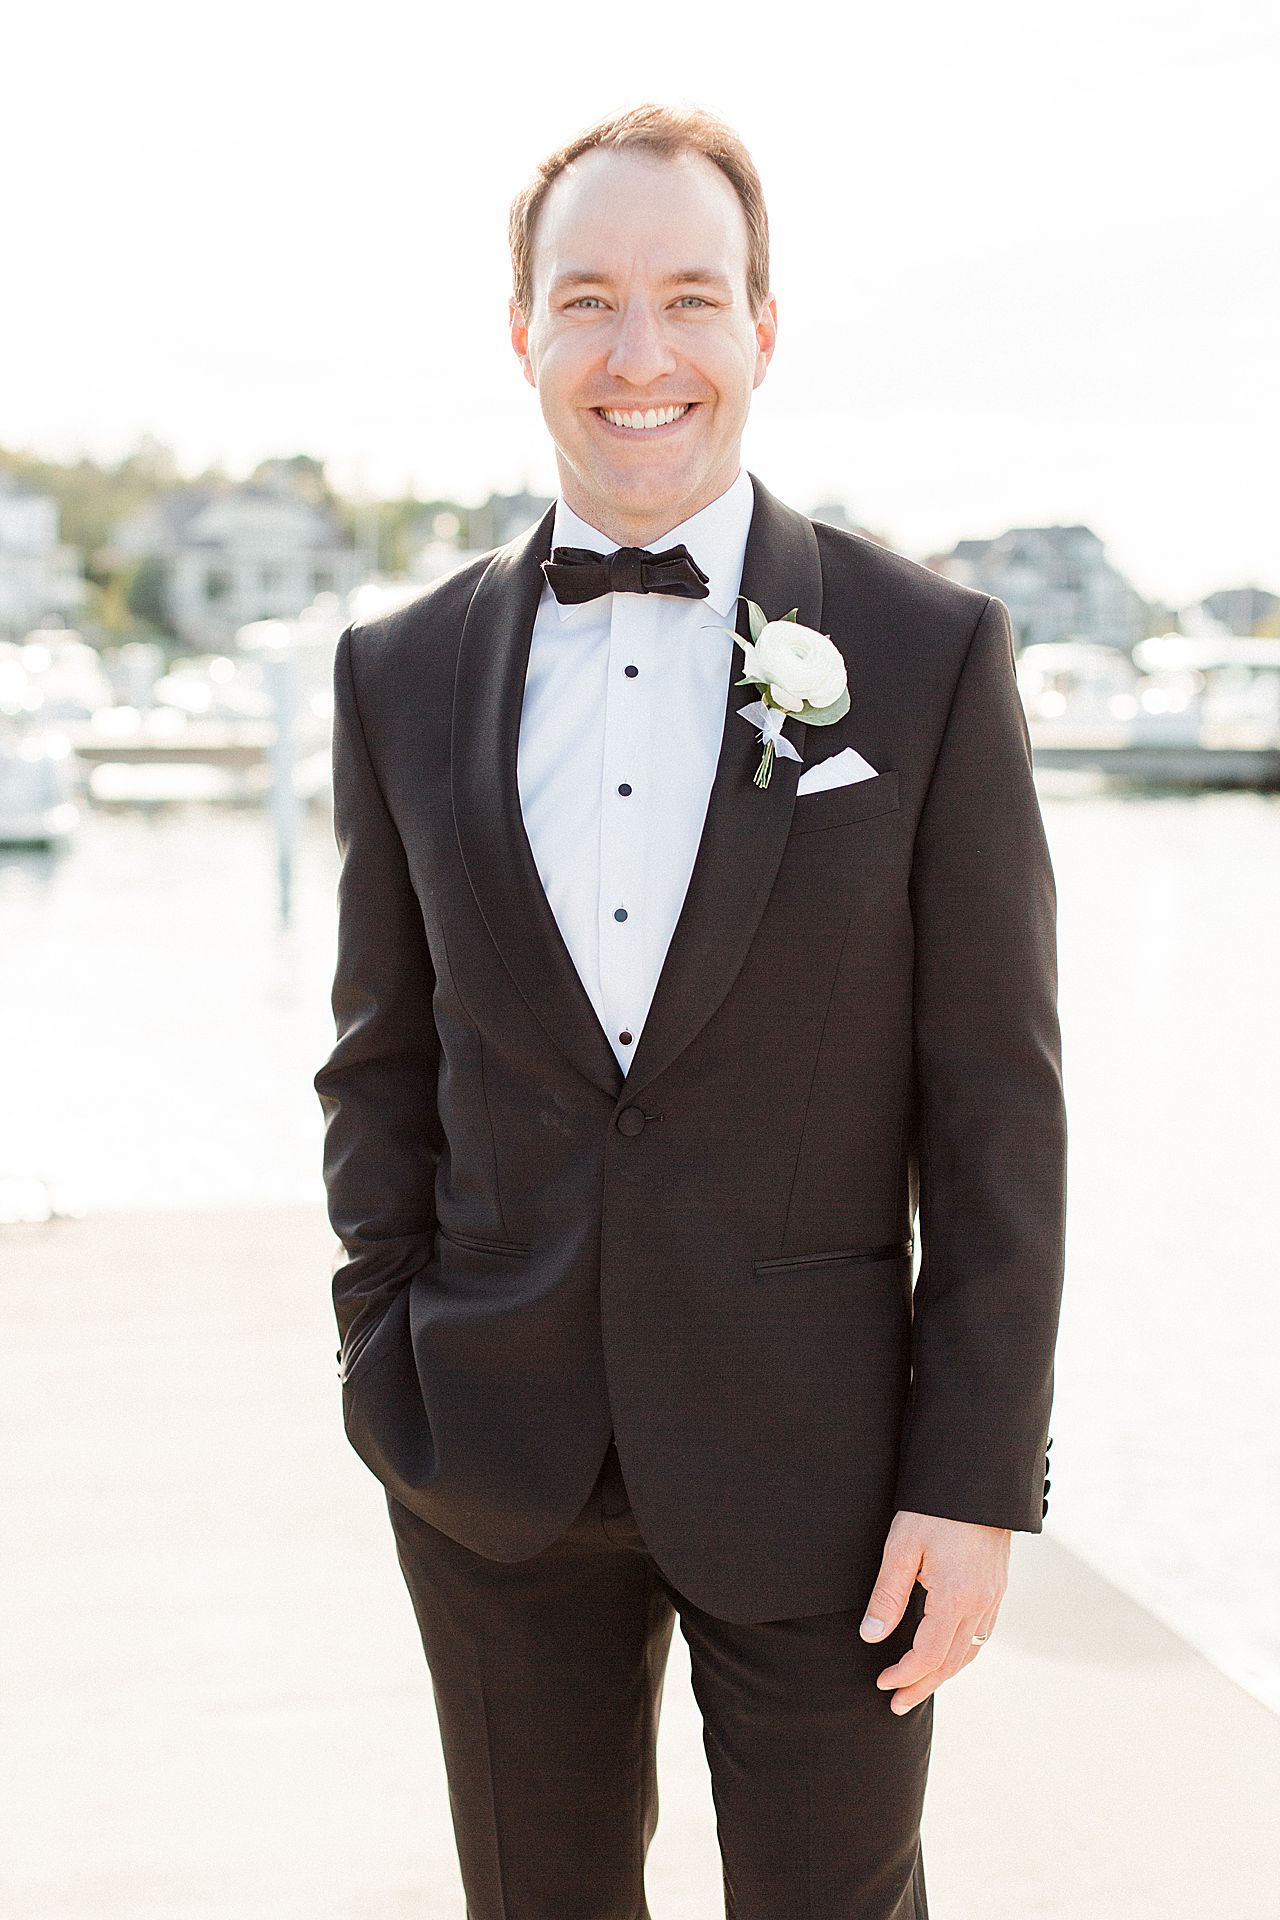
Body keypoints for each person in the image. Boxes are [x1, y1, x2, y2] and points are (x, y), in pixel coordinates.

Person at [313, 99, 1067, 1920]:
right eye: (586, 301)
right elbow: (380, 1062)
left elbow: (998, 1109)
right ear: (524, 337)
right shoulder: (396, 673)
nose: (637, 353)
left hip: (830, 1479)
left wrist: (975, 1483)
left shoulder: (925, 655)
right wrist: (385, 1356)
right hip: (492, 1469)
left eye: (688, 298)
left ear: (760, 329)